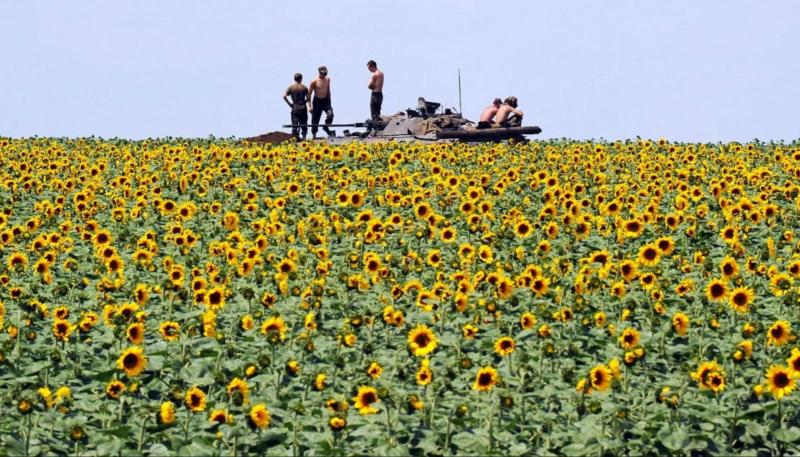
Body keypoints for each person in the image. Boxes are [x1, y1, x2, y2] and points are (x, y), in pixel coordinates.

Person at [307, 66, 334, 139]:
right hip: (317, 101)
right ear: (319, 72)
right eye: (323, 74)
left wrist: (329, 101)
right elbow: (309, 94)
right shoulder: (314, 81)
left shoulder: (328, 79)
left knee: (330, 115)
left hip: (326, 101)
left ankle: (326, 127)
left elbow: (328, 90)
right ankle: (314, 134)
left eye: (325, 74)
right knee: (315, 120)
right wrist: (309, 106)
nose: (325, 75)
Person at [283, 73, 308, 140]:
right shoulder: (304, 87)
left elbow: (284, 96)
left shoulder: (291, 87)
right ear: (301, 79)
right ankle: (304, 138)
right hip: (303, 108)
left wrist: (289, 104)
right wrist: (305, 102)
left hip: (295, 108)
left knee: (294, 125)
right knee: (304, 124)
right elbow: (308, 97)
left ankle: (295, 139)